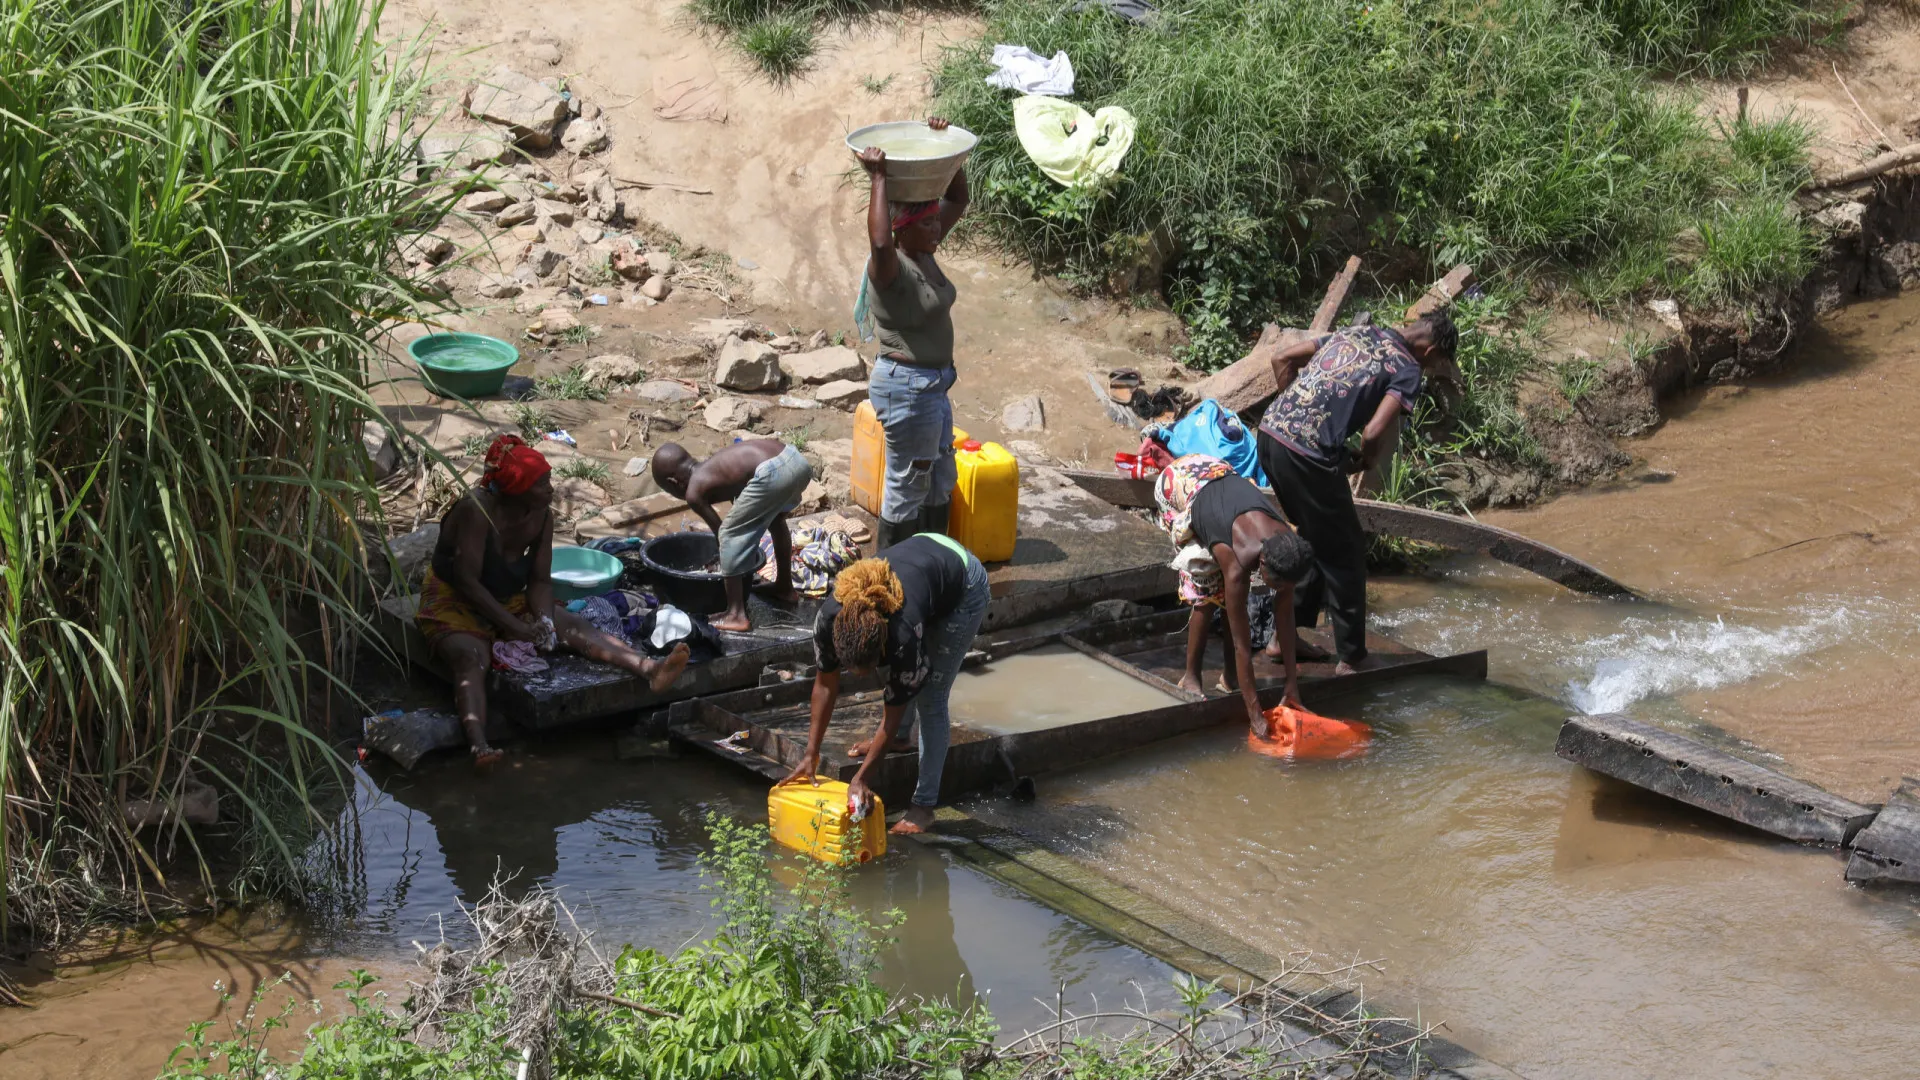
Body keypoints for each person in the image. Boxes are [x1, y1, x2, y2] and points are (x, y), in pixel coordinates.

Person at [415, 435, 691, 766]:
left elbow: (540, 580)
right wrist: (514, 626)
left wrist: (544, 620)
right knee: (471, 657)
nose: (551, 489)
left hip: (506, 595)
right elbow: (466, 582)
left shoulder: (541, 515)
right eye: (542, 483)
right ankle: (480, 747)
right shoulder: (476, 511)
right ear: (517, 488)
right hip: (454, 597)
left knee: (573, 626)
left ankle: (649, 668)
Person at [1254, 312, 1458, 673]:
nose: (1430, 370)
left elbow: (1281, 358)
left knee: (1315, 538)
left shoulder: (1358, 332)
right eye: (1437, 363)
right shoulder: (1408, 368)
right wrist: (1366, 460)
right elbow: (1373, 432)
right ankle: (1353, 657)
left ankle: (1282, 639)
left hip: (1270, 436)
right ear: (1430, 351)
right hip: (1307, 456)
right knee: (1347, 549)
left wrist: (1299, 416)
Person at [777, 534, 991, 835]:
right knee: (907, 678)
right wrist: (810, 753)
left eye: (868, 669)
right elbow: (824, 685)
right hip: (923, 559)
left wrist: (862, 778)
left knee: (931, 696)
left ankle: (923, 807)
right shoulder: (828, 619)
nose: (860, 678)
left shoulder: (902, 635)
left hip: (964, 581)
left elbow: (893, 708)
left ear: (883, 647)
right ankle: (903, 739)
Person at [854, 116, 969, 549]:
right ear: (903, 228)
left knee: (940, 477)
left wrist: (948, 153)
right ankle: (888, 570)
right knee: (908, 482)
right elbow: (879, 242)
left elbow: (958, 197)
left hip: (932, 387)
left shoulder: (925, 251)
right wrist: (878, 178)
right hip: (906, 388)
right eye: (927, 223)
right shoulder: (891, 268)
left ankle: (933, 561)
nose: (937, 228)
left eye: (937, 222)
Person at [1154, 454, 1316, 737]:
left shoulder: (1287, 546)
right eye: (1276, 584)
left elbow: (1285, 618)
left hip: (1217, 475)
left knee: (1234, 602)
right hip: (1179, 483)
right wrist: (1254, 714)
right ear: (1262, 563)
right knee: (1208, 592)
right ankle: (1190, 677)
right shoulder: (1236, 560)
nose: (1281, 590)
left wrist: (1292, 685)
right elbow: (1243, 644)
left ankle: (1231, 677)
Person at [650, 438, 813, 632]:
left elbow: (722, 533)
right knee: (776, 521)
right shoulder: (715, 467)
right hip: (795, 460)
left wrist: (723, 561)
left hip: (773, 472)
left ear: (673, 482)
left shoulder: (693, 492)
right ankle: (784, 588)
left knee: (729, 534)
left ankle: (735, 614)